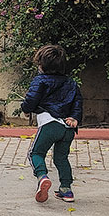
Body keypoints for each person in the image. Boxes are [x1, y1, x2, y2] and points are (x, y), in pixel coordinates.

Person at [21, 44, 83, 203]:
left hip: (50, 124)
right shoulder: (71, 83)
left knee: (35, 153)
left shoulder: (40, 81)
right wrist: (75, 118)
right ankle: (66, 190)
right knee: (61, 158)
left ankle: (42, 177)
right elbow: (78, 102)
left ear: (41, 65)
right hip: (68, 127)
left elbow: (31, 99)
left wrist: (26, 109)